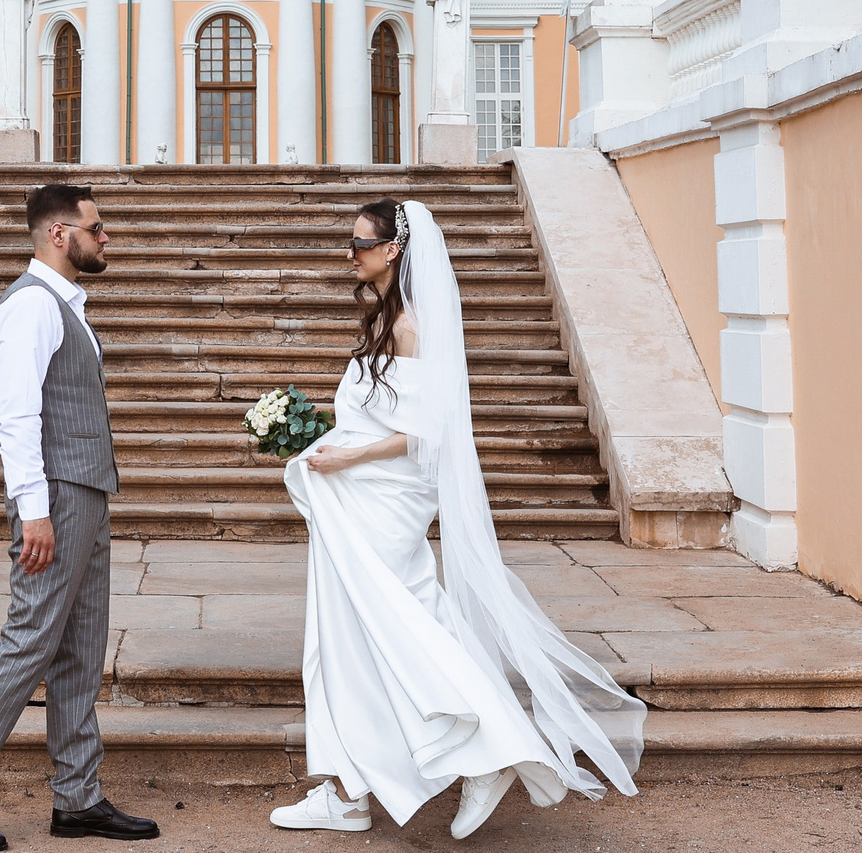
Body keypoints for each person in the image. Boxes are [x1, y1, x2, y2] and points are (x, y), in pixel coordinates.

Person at [270, 199, 644, 838]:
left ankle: (480, 755)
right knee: (351, 643)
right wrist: (318, 439)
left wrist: (350, 455)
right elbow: (385, 416)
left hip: (381, 504)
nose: (350, 254)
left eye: (360, 244)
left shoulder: (410, 327)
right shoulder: (385, 319)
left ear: (392, 251)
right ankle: (355, 790)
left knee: (392, 635)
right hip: (359, 497)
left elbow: (428, 432)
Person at [0, 184, 159, 849]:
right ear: (58, 233)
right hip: (57, 497)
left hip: (88, 492)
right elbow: (16, 416)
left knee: (81, 646)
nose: (105, 238)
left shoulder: (64, 305)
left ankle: (77, 798)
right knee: (30, 639)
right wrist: (34, 513)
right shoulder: (31, 306)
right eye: (95, 228)